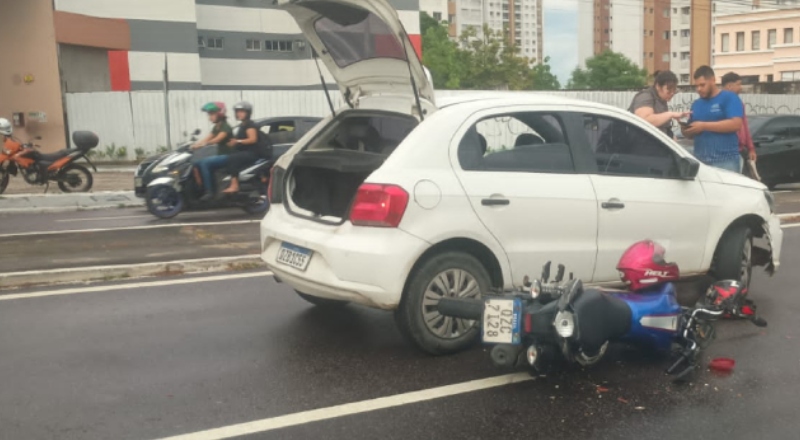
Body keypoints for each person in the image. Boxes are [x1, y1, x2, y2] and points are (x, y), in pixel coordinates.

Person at [682, 66, 744, 172]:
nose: (699, 89)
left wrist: (704, 126)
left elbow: (736, 124)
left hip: (725, 161)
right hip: (701, 162)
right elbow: (691, 132)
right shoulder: (697, 104)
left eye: (702, 85)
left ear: (713, 80)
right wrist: (687, 131)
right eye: (696, 86)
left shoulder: (729, 98)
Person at [629, 70, 690, 138]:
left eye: (674, 90)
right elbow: (645, 121)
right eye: (669, 90)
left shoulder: (662, 99)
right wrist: (670, 114)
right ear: (658, 86)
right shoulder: (645, 96)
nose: (672, 93)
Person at [192, 102, 233, 201]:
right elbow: (207, 138)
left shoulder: (225, 127)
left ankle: (209, 191)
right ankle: (200, 188)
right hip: (221, 156)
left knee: (205, 163)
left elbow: (217, 139)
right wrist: (195, 145)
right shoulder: (216, 127)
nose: (209, 117)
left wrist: (203, 144)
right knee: (194, 164)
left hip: (228, 156)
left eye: (212, 114)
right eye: (209, 114)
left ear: (220, 113)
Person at [720, 72, 757, 170]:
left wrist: (751, 148)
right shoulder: (718, 103)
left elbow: (744, 126)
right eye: (738, 84)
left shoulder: (738, 103)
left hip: (739, 150)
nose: (741, 88)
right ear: (729, 86)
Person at [222, 101, 260, 194]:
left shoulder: (250, 125)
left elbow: (253, 139)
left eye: (242, 111)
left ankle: (234, 185)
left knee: (233, 158)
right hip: (245, 152)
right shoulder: (243, 125)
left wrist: (238, 141)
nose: (239, 114)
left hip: (252, 153)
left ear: (248, 113)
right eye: (237, 111)